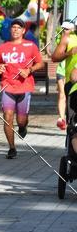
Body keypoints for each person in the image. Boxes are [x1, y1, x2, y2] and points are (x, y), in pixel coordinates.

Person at [0, 17, 45, 159]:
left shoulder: (31, 46)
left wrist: (29, 70)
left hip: (25, 87)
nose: (15, 29)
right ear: (10, 30)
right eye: (13, 27)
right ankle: (12, 148)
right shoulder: (2, 47)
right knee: (7, 117)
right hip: (7, 86)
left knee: (21, 120)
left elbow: (40, 63)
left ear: (23, 31)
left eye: (19, 27)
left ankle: (22, 127)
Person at [51, 23, 77, 157]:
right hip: (72, 85)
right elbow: (54, 57)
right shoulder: (68, 38)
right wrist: (68, 53)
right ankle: (72, 153)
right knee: (73, 122)